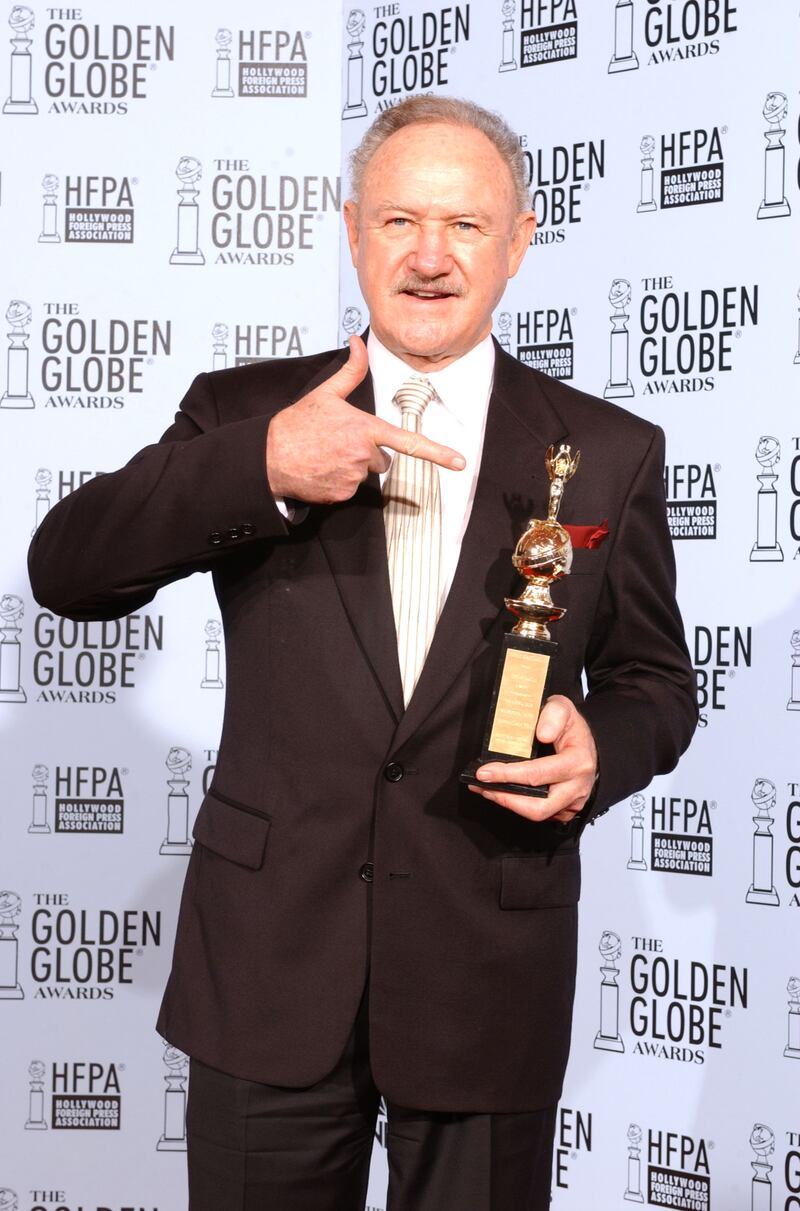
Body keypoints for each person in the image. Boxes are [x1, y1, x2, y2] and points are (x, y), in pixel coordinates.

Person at [28, 96, 697, 1210]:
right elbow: (68, 569)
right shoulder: (247, 413)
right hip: (268, 968)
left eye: (465, 226)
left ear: (520, 240)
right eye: (397, 221)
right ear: (351, 230)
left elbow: (653, 683)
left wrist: (601, 746)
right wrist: (262, 465)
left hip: (487, 970)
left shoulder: (608, 451)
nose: (428, 257)